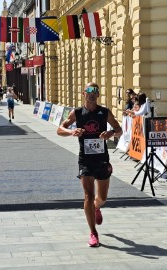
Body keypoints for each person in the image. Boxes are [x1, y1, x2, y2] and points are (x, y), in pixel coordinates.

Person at [57, 82, 122, 247]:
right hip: (85, 159)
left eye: (95, 91)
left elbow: (119, 130)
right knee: (88, 195)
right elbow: (59, 129)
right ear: (83, 93)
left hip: (102, 159)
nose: (92, 93)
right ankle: (93, 233)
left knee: (102, 198)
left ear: (98, 95)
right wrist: (71, 132)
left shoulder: (104, 112)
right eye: (89, 90)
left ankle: (97, 207)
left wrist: (111, 133)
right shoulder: (77, 113)